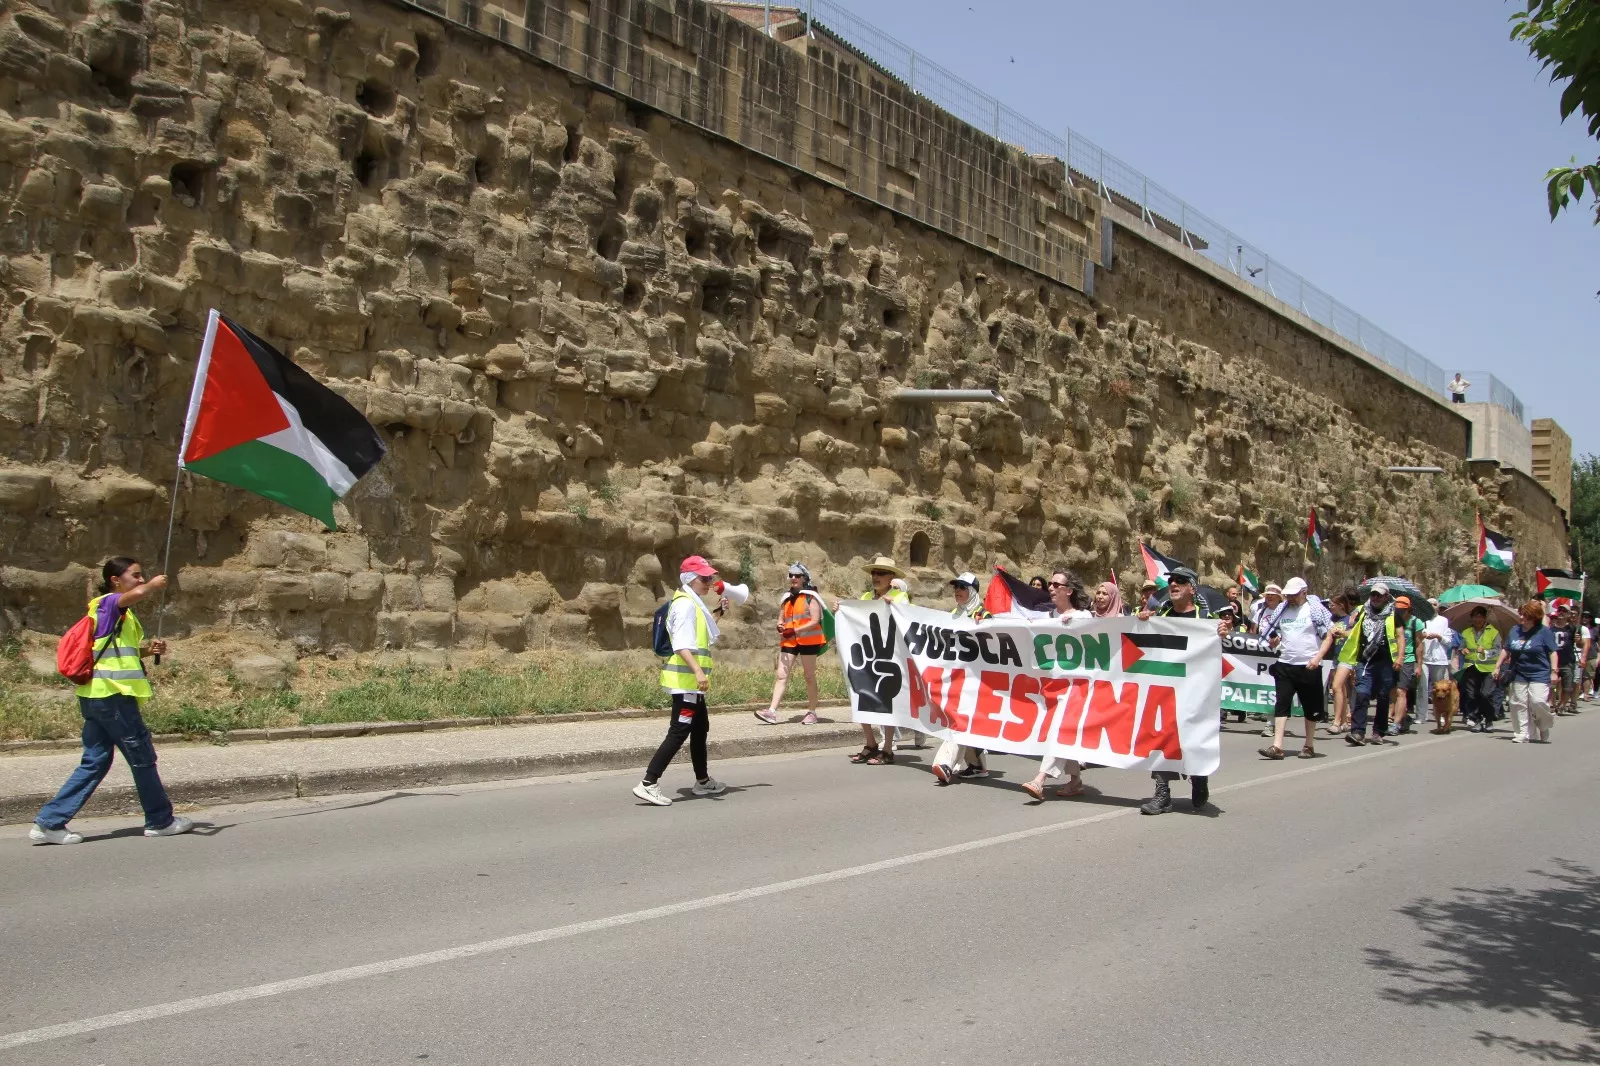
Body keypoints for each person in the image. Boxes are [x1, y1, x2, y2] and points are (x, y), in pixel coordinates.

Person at [31, 557, 195, 844]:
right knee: (142, 758)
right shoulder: (107, 603)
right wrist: (153, 585)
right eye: (136, 575)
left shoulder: (122, 615)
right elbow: (138, 593)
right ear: (115, 581)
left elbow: (115, 651)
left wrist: (147, 652)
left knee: (95, 761)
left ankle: (50, 823)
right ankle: (160, 821)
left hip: (97, 698)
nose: (141, 580)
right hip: (113, 697)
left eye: (143, 576)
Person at [633, 556, 728, 806]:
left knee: (700, 728)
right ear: (690, 579)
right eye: (704, 578)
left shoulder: (692, 603)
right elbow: (682, 645)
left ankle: (702, 781)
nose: (709, 582)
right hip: (687, 682)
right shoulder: (685, 605)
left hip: (692, 684)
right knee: (679, 731)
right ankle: (648, 783)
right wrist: (698, 672)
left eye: (710, 577)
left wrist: (719, 611)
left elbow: (702, 635)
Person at [1136, 567, 1227, 814]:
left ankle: (1199, 775)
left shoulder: (1206, 618)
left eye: (1180, 581)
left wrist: (1221, 635)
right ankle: (1162, 793)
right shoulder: (1161, 615)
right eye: (1171, 581)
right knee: (1161, 736)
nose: (1173, 584)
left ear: (1192, 589)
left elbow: (1220, 652)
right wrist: (1142, 623)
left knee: (1193, 737)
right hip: (1166, 688)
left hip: (1196, 689)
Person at [1020, 569, 1091, 801]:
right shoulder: (1046, 617)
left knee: (1059, 728)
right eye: (1050, 583)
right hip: (1052, 686)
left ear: (1069, 591)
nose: (1050, 587)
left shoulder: (1084, 616)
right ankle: (1075, 781)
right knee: (1063, 730)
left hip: (1077, 688)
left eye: (1056, 584)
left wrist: (1076, 627)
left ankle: (1040, 779)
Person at [839, 556, 910, 766]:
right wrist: (841, 610)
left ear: (891, 577)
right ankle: (870, 743)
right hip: (867, 653)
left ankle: (887, 748)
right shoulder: (866, 597)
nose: (876, 577)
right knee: (861, 694)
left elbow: (907, 620)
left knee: (888, 699)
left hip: (890, 655)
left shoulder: (900, 596)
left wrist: (894, 608)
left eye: (881, 573)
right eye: (874, 573)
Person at [1258, 577, 1334, 759]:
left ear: (1304, 592)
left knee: (1311, 707)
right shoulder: (1282, 610)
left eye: (1294, 595)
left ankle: (1309, 745)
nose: (1290, 598)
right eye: (1288, 595)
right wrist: (1274, 642)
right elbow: (1275, 636)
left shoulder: (1315, 610)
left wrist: (1317, 658)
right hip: (1285, 663)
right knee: (1281, 704)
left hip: (1308, 665)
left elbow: (1328, 636)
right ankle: (1277, 746)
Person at [930, 573, 994, 786]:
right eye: (956, 586)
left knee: (959, 719)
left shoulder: (984, 615)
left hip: (976, 680)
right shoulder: (954, 614)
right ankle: (977, 765)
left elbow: (993, 647)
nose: (957, 590)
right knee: (965, 722)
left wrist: (983, 628)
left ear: (973, 591)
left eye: (963, 587)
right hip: (956, 677)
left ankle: (945, 763)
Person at [756, 563, 825, 726]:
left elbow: (815, 621)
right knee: (781, 675)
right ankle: (771, 712)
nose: (793, 578)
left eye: (797, 575)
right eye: (791, 575)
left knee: (809, 676)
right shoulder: (786, 597)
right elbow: (781, 618)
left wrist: (796, 630)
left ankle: (812, 712)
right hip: (789, 640)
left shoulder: (811, 596)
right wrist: (780, 625)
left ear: (804, 578)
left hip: (808, 640)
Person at [1341, 583, 1403, 746]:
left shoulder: (1393, 613)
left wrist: (1400, 658)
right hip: (1365, 660)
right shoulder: (1363, 610)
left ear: (1386, 597)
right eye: (1373, 594)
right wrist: (1342, 632)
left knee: (1383, 696)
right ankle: (1358, 732)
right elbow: (1354, 631)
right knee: (1362, 694)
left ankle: (1378, 732)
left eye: (1379, 595)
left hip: (1386, 662)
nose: (1375, 598)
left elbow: (1400, 636)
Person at [1496, 599, 1559, 744]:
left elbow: (1553, 652)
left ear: (1533, 617)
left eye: (1525, 615)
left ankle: (1543, 725)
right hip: (1519, 672)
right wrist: (1497, 666)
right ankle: (1523, 733)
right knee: (1519, 703)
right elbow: (1507, 649)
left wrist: (1554, 671)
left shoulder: (1544, 632)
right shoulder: (1515, 630)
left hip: (1539, 672)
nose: (1521, 617)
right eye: (1521, 614)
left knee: (1538, 701)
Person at [1457, 605, 1502, 732]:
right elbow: (1461, 647)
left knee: (1486, 694)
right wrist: (1463, 650)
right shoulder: (1466, 632)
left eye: (1480, 617)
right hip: (1471, 667)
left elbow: (1498, 650)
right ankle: (1476, 719)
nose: (1477, 620)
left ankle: (1489, 719)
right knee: (1471, 695)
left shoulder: (1493, 632)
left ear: (1485, 618)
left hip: (1488, 668)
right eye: (1475, 617)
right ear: (1471, 618)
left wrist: (1486, 652)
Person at [1326, 589, 1359, 735]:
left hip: (1346, 657)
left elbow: (1355, 634)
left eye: (1332, 604)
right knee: (1341, 690)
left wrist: (1342, 633)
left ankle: (1336, 722)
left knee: (1336, 686)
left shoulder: (1350, 620)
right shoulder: (1332, 620)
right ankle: (1344, 721)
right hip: (1335, 657)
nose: (1330, 607)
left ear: (1340, 605)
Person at [1419, 598, 1456, 729]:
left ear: (1438, 607)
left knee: (1442, 688)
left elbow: (1449, 641)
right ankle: (1421, 715)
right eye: (1429, 604)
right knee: (1422, 687)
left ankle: (1442, 713)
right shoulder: (1421, 620)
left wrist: (1438, 636)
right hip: (1424, 657)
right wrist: (1422, 635)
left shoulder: (1443, 621)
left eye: (1434, 604)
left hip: (1439, 658)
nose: (1432, 606)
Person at [1550, 603, 1580, 715]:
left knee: (1567, 687)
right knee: (1552, 686)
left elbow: (1580, 644)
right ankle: (1552, 704)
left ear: (1568, 614)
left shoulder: (1572, 629)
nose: (1561, 613)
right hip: (1554, 662)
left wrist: (1578, 640)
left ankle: (1562, 705)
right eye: (1560, 610)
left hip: (1567, 662)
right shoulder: (1550, 629)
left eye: (1564, 611)